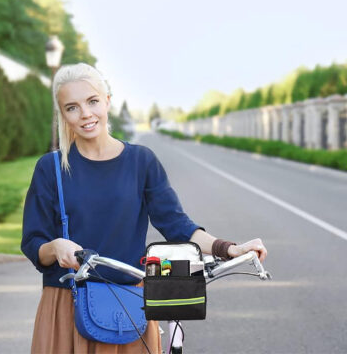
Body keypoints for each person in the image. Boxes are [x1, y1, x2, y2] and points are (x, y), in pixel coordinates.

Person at [21, 63, 267, 354]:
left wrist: (229, 248)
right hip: (66, 306)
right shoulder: (50, 168)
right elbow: (33, 242)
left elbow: (178, 226)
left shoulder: (141, 162)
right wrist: (56, 246)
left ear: (107, 101)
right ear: (62, 114)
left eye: (93, 101)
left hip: (128, 305)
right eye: (72, 107)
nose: (86, 114)